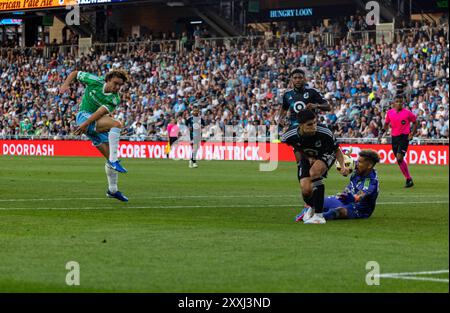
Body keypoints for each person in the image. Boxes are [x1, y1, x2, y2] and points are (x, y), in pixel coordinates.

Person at [59, 69, 129, 202]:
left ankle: (112, 190)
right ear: (107, 79)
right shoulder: (95, 81)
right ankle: (114, 161)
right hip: (83, 116)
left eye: (120, 85)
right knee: (117, 125)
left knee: (110, 158)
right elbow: (75, 73)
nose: (117, 87)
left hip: (91, 122)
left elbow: (100, 112)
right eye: (115, 83)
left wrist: (86, 124)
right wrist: (65, 85)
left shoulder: (115, 99)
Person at [281, 109, 349, 224]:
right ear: (301, 125)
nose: (314, 126)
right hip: (306, 156)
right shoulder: (289, 135)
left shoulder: (325, 132)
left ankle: (319, 216)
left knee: (314, 172)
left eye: (315, 123)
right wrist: (306, 158)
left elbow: (336, 150)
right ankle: (312, 207)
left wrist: (342, 166)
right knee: (306, 189)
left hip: (326, 153)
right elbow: (295, 147)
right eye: (310, 124)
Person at [296, 149, 380, 222]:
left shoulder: (370, 181)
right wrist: (345, 159)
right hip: (344, 200)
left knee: (339, 211)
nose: (356, 164)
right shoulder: (361, 170)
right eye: (357, 161)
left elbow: (361, 195)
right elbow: (345, 159)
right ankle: (308, 212)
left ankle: (317, 217)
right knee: (315, 201)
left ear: (369, 165)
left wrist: (353, 197)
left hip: (359, 209)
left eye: (360, 162)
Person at [277, 68, 332, 164]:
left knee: (314, 159)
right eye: (295, 78)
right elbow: (284, 108)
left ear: (304, 79)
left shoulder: (312, 92)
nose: (298, 80)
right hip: (295, 130)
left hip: (310, 129)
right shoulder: (287, 95)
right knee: (301, 162)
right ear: (291, 80)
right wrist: (280, 118)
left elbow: (328, 106)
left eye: (300, 77)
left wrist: (316, 105)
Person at [380, 86, 418, 188]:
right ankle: (408, 179)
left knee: (399, 157)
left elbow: (415, 123)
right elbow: (386, 124)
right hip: (394, 138)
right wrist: (382, 132)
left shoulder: (407, 113)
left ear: (403, 102)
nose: (399, 103)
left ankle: (408, 179)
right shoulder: (390, 113)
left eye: (401, 102)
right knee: (399, 160)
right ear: (393, 103)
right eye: (397, 101)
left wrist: (412, 134)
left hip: (404, 137)